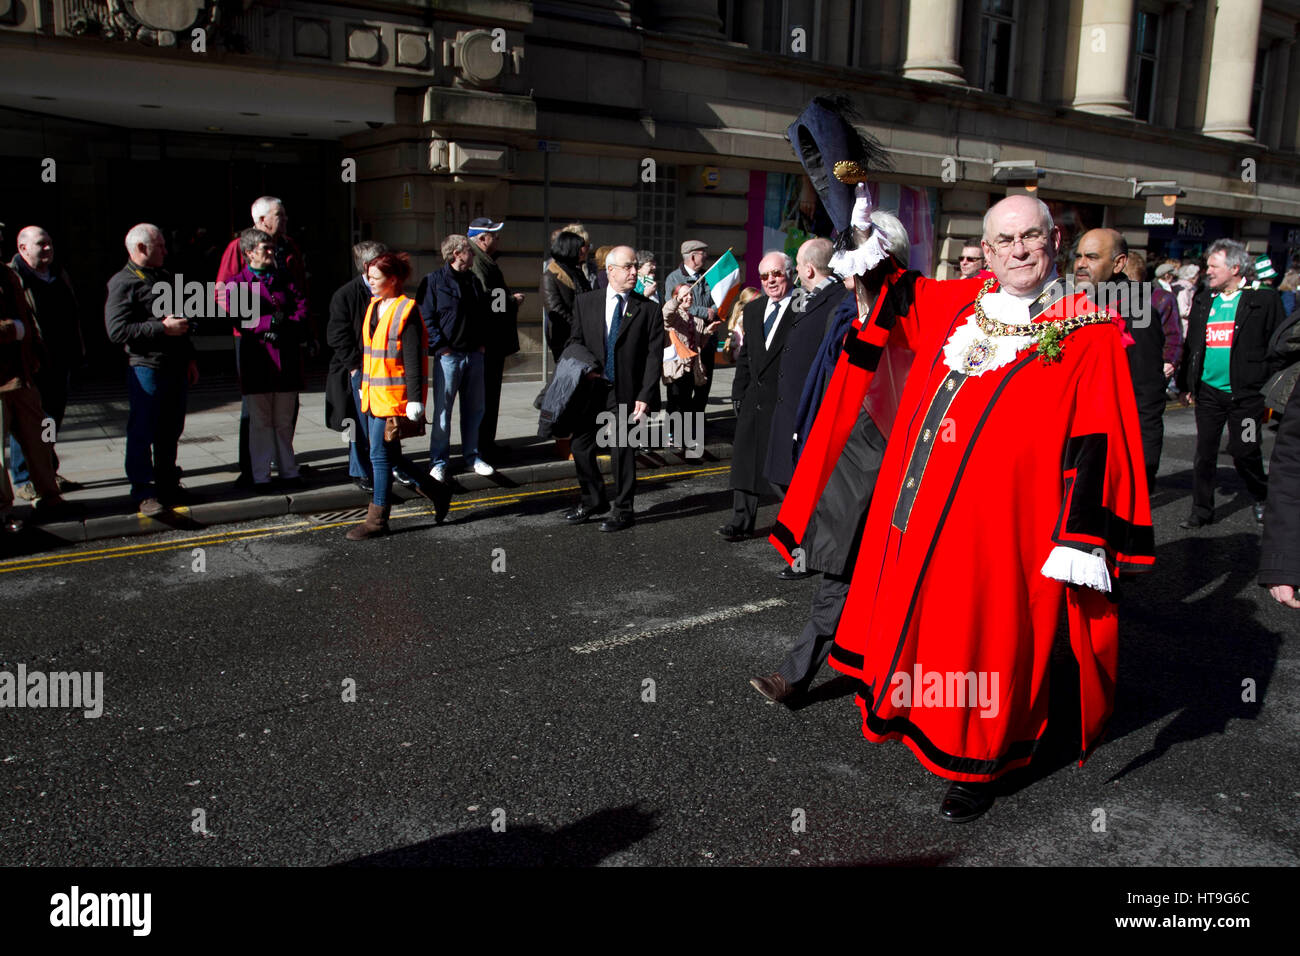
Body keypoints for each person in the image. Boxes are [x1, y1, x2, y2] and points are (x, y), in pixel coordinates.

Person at [776, 191, 1153, 822]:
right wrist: (857, 223)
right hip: (922, 512)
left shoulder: (1088, 330)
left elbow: (1100, 439)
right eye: (1004, 241)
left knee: (990, 641)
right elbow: (895, 290)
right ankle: (921, 721)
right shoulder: (961, 302)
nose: (1018, 252)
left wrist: (1081, 536)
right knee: (934, 632)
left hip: (1010, 529)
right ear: (985, 248)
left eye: (1030, 237)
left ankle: (981, 763)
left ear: (1054, 240)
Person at [750, 213, 914, 705]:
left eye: (855, 262)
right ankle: (794, 676)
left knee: (899, 586)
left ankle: (897, 684)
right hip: (852, 465)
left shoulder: (919, 318)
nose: (845, 273)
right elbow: (824, 384)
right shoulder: (844, 314)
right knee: (836, 574)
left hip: (906, 469)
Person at [1176, 238, 1284, 528]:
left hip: (1246, 397)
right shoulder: (1204, 298)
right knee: (1205, 454)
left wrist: (1270, 385)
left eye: (1213, 266)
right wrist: (1186, 383)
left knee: (1245, 449)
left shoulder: (1263, 299)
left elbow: (1279, 345)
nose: (1207, 271)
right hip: (1209, 394)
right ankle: (1201, 510)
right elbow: (1192, 344)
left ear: (1235, 268)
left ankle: (1262, 496)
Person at [563, 245, 663, 532]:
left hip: (626, 393)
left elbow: (653, 358)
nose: (635, 272)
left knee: (622, 450)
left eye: (636, 266)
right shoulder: (586, 302)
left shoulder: (648, 309)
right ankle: (594, 500)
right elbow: (574, 341)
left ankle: (623, 509)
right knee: (581, 447)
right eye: (629, 267)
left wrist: (645, 396)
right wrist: (583, 366)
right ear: (610, 271)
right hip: (592, 389)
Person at [1073, 228, 1181, 486]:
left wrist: (1145, 463)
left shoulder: (1138, 311)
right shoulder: (1075, 301)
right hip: (1075, 442)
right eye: (1078, 256)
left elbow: (1148, 394)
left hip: (1112, 446)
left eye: (1092, 257)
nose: (1081, 264)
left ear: (1119, 263)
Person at [105, 224, 200, 517]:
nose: (166, 250)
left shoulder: (164, 277)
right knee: (143, 429)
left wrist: (190, 358)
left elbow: (179, 321)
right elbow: (116, 330)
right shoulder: (123, 283)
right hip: (147, 368)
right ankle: (143, 491)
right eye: (160, 245)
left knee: (170, 428)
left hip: (174, 365)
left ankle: (167, 481)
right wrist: (161, 328)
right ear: (141, 249)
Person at [216, 197, 310, 488]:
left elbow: (301, 297)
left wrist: (298, 328)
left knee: (285, 412)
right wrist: (265, 323)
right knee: (256, 413)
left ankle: (286, 466)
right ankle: (254, 470)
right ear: (260, 220)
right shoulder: (237, 249)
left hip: (286, 347)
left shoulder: (289, 248)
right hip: (255, 348)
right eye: (278, 215)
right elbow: (225, 296)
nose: (284, 219)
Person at [348, 251, 438, 540]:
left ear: (393, 280)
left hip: (394, 397)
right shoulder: (374, 305)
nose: (370, 282)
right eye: (369, 276)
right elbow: (371, 352)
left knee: (378, 455)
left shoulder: (406, 310)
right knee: (391, 457)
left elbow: (413, 359)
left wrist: (416, 399)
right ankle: (438, 491)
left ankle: (377, 520)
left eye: (376, 277)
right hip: (374, 394)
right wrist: (363, 381)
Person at [762, 237, 849, 509]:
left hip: (810, 407)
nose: (796, 271)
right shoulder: (810, 298)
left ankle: (807, 542)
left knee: (804, 489)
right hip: (789, 407)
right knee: (781, 479)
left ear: (809, 269)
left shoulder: (839, 301)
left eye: (797, 265)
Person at [719, 251, 795, 541]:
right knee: (746, 463)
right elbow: (746, 356)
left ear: (789, 274)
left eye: (776, 274)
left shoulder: (801, 310)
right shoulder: (753, 310)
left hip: (784, 399)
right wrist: (738, 393)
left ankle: (793, 527)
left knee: (783, 468)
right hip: (753, 397)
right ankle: (741, 521)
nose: (771, 280)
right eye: (764, 276)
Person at [6, 226, 83, 498]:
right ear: (23, 248)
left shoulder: (58, 274)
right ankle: (24, 476)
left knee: (51, 419)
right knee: (28, 423)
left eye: (50, 243)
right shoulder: (13, 278)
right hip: (33, 363)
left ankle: (48, 469)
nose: (48, 248)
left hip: (60, 361)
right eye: (41, 244)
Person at [1, 265, 72, 530]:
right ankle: (3, 512)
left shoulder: (8, 275)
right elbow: (20, 324)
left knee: (40, 440)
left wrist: (35, 348)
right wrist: (13, 330)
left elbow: (28, 318)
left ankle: (50, 497)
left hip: (23, 377)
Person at [419, 234, 492, 481]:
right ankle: (438, 461)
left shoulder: (473, 280)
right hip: (448, 356)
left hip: (474, 353)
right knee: (443, 411)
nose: (473, 254)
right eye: (469, 251)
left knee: (475, 409)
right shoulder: (433, 281)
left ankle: (473, 456)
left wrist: (481, 345)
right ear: (456, 254)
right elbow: (426, 317)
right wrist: (442, 348)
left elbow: (484, 314)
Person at [326, 241, 387, 494]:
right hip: (357, 368)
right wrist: (354, 367)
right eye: (382, 260)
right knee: (357, 425)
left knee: (380, 424)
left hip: (382, 366)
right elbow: (337, 335)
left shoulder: (386, 288)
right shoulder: (345, 295)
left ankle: (382, 467)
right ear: (366, 266)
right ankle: (361, 471)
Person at [467, 217, 523, 463]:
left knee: (489, 396)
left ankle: (486, 443)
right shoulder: (479, 262)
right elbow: (489, 300)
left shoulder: (485, 260)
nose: (498, 240)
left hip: (492, 342)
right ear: (481, 239)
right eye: (494, 236)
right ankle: (482, 446)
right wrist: (513, 301)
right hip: (488, 342)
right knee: (486, 397)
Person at [664, 240, 721, 411]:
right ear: (693, 256)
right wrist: (705, 312)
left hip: (705, 339)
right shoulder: (674, 278)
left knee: (704, 383)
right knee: (680, 392)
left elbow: (718, 299)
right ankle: (675, 432)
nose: (706, 257)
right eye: (704, 253)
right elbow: (673, 305)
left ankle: (697, 424)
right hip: (683, 344)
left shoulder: (709, 276)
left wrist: (713, 310)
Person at [1259, 380, 1299, 608]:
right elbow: (1293, 462)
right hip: (1242, 405)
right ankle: (1201, 512)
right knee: (1243, 446)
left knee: (1245, 450)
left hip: (1246, 403)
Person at [661, 283, 707, 433]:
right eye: (685, 295)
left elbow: (700, 344)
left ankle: (684, 434)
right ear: (677, 297)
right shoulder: (675, 316)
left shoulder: (696, 320)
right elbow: (666, 314)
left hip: (691, 366)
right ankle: (671, 434)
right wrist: (676, 301)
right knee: (674, 401)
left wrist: (708, 332)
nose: (689, 297)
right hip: (676, 366)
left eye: (690, 295)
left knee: (686, 402)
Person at [541, 230, 591, 363]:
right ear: (569, 249)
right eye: (579, 248)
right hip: (565, 337)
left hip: (584, 336)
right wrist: (579, 326)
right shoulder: (550, 276)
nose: (583, 252)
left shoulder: (577, 272)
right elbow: (556, 309)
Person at [721, 287, 760, 364]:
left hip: (743, 355)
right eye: (759, 301)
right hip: (745, 356)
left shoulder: (742, 317)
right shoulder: (744, 319)